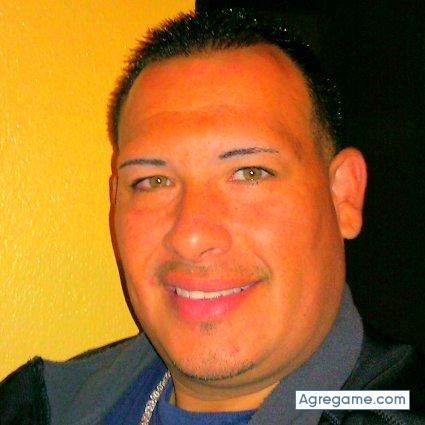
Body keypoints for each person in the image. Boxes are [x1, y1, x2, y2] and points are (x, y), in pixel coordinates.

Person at [1, 7, 424, 425]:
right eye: (152, 181)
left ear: (343, 195)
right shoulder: (33, 406)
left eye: (250, 173)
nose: (191, 236)